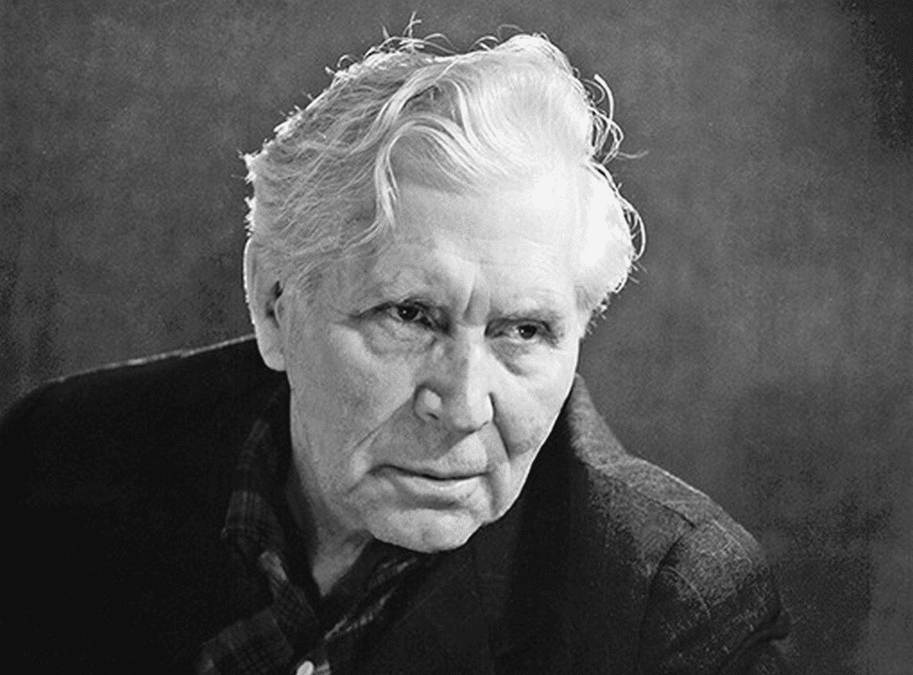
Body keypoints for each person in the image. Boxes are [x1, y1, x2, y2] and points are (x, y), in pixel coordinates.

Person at [6, 32, 791, 674]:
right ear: (274, 302)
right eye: (411, 315)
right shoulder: (60, 458)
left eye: (523, 331)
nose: (462, 406)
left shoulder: (671, 608)